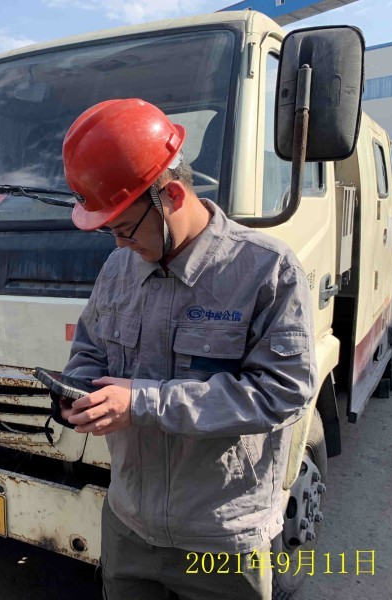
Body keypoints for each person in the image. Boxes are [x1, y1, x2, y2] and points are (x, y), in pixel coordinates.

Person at [59, 99, 317, 600]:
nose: (118, 245)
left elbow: (282, 394)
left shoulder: (267, 270)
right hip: (129, 527)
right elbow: (90, 351)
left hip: (221, 538)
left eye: (124, 228)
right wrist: (76, 392)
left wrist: (142, 402)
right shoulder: (118, 270)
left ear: (172, 196)